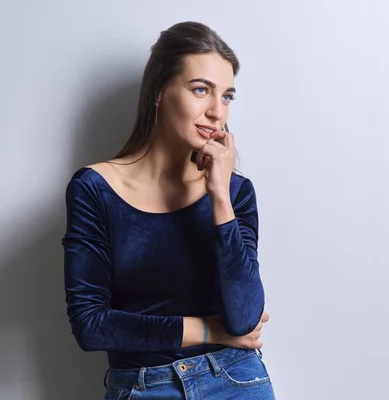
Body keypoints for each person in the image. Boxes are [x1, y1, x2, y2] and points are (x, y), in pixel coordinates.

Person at [62, 21, 276, 399]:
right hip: (143, 388)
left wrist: (220, 197)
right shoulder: (94, 189)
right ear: (160, 91)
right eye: (201, 90)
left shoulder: (235, 192)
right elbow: (91, 325)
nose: (216, 111)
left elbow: (244, 317)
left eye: (227, 96)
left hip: (235, 381)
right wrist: (212, 331)